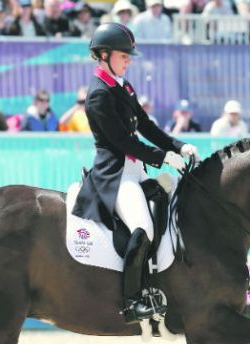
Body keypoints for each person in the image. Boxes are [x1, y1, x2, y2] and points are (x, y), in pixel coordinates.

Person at [71, 23, 198, 322]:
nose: (128, 60)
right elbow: (122, 141)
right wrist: (163, 157)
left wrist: (178, 146)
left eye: (129, 56)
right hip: (115, 175)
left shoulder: (122, 86)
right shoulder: (99, 94)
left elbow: (146, 125)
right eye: (123, 55)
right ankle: (132, 301)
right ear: (103, 55)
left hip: (135, 168)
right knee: (144, 228)